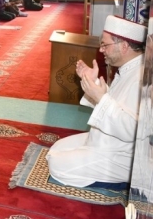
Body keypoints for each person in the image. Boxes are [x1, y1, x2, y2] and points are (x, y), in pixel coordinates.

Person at [47, 15, 146, 187]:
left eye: (105, 45)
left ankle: (121, 183)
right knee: (55, 149)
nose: (101, 50)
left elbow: (132, 129)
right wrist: (93, 83)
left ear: (124, 46)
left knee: (57, 165)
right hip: (104, 140)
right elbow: (116, 103)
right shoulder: (129, 67)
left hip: (121, 153)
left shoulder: (142, 77)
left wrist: (100, 97)